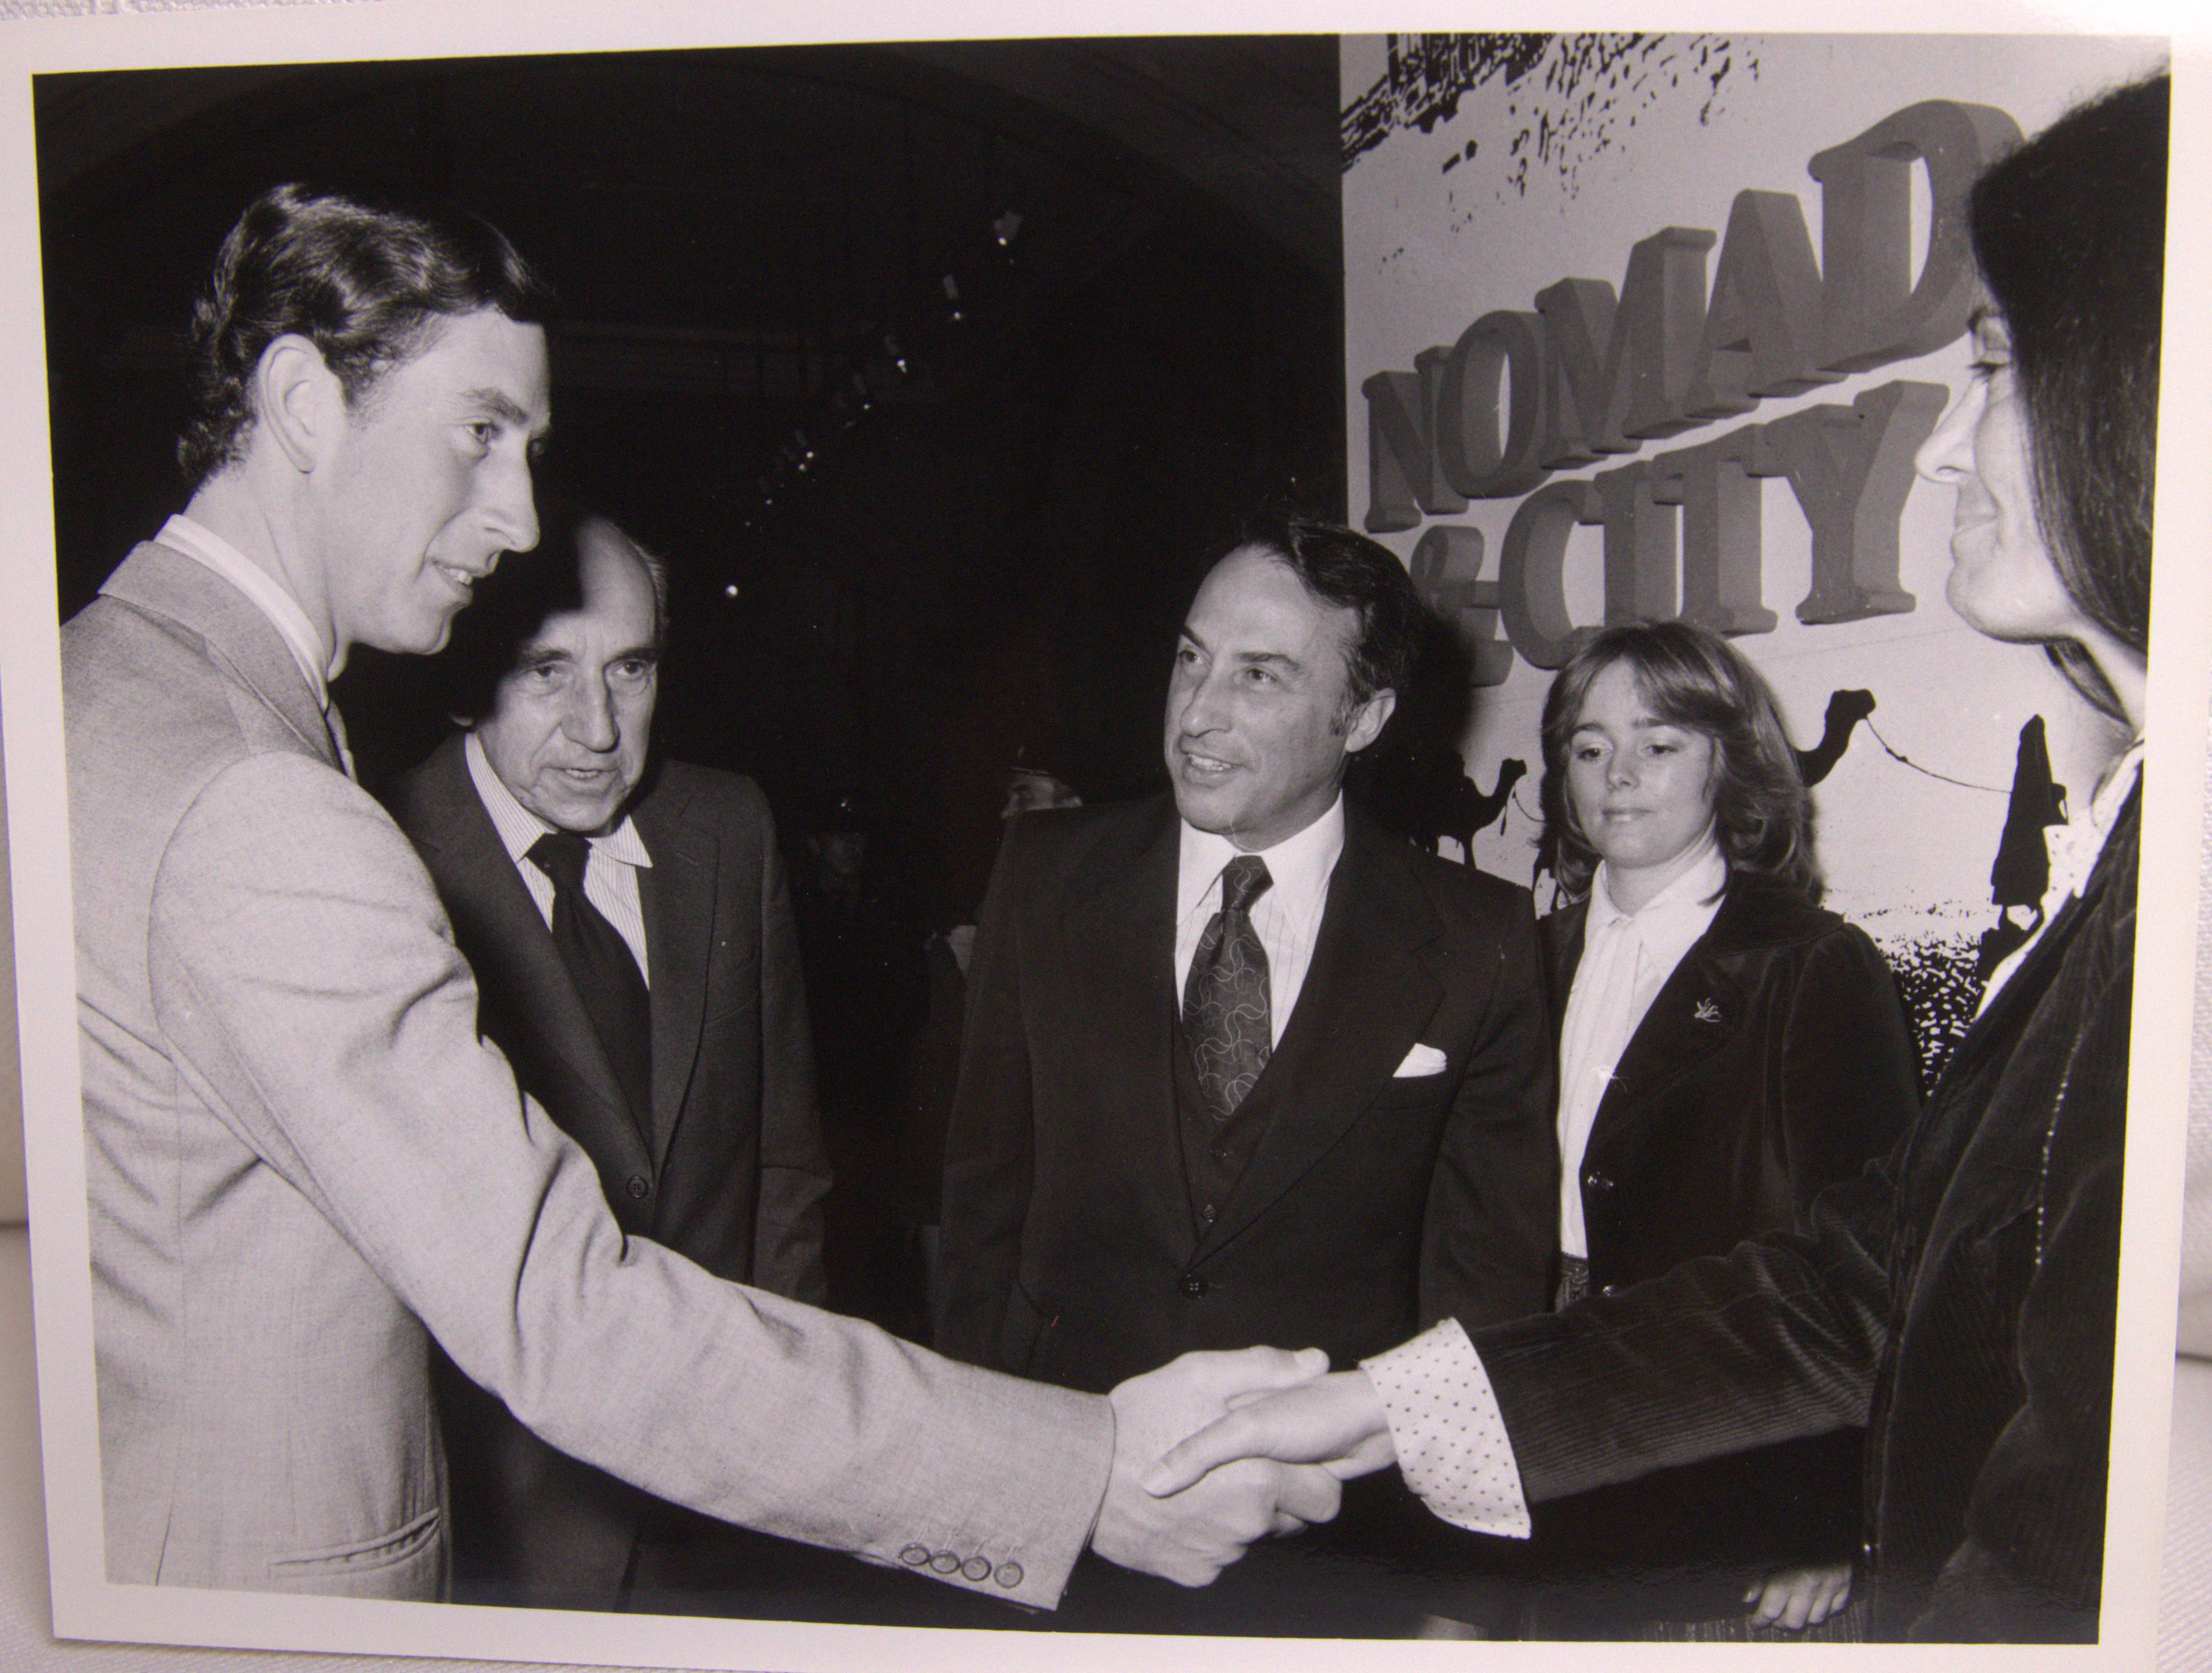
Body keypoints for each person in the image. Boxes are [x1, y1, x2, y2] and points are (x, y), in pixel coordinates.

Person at [63, 181, 1340, 1606]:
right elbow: (567, 1309)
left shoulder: (93, 691)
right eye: (481, 434)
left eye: (530, 451)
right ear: (301, 399)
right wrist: (1086, 1468)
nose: (517, 515)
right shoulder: (259, 800)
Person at [1148, 70, 2163, 1644]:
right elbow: (1848, 1286)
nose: (1948, 453)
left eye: (1995, 373)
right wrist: (1387, 1409)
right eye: (1587, 747)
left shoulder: (1837, 960)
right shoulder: (2131, 870)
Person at [934, 516, 1556, 1630]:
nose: (1197, 713)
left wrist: (1463, 1590)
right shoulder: (1042, 878)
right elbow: (981, 1215)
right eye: (1189, 658)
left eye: (1259, 675)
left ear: (1361, 718)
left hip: (1333, 1547)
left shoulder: (1480, 939)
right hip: (1064, 1513)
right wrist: (977, 1510)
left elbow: (1484, 1295)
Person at [382, 505, 833, 1608]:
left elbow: (781, 1171)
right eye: (548, 671)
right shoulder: (380, 851)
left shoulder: (729, 829)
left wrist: (800, 1452)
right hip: (501, 1529)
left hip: (726, 1507)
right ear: (467, 672)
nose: (597, 726)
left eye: (629, 669)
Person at [1514, 621, 1919, 1639]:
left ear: (1725, 762)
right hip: (1538, 1410)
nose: (1616, 774)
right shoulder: (1512, 960)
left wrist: (1835, 1520)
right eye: (1588, 745)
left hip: (1730, 1448)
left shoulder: (1809, 963)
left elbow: (1873, 1268)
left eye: (1657, 745)